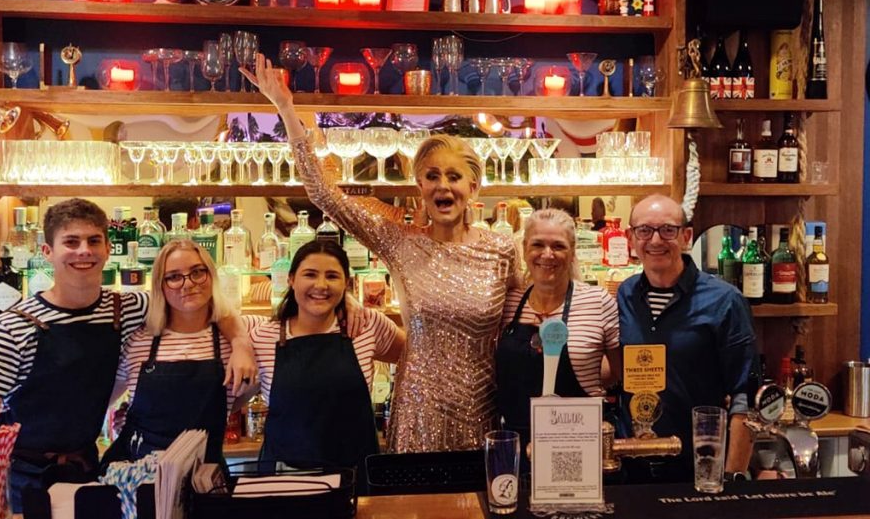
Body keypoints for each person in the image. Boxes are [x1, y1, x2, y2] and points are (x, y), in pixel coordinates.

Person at [242, 57, 517, 453]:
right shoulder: (400, 241)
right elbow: (324, 194)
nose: (444, 186)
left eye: (454, 177)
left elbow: (520, 325)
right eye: (432, 176)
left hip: (484, 405)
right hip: (419, 407)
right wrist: (286, 109)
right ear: (419, 186)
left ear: (473, 187)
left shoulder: (501, 250)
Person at [0, 199, 256, 512]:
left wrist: (240, 342)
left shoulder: (127, 309)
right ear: (47, 253)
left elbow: (204, 303)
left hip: (87, 467)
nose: (83, 251)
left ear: (108, 249)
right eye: (71, 242)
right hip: (22, 476)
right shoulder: (12, 328)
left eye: (93, 241)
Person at [617, 194, 755, 483]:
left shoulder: (724, 300)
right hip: (632, 464)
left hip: (699, 466)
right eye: (644, 230)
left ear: (686, 236)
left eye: (668, 229)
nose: (655, 240)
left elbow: (745, 393)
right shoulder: (624, 295)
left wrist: (732, 476)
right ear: (631, 238)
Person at [246, 240, 404, 475]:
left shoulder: (367, 325)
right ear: (291, 279)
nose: (321, 285)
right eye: (310, 274)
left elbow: (414, 357)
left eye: (332, 276)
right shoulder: (262, 336)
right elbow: (217, 319)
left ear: (346, 284)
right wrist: (239, 344)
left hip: (355, 475)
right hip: (285, 478)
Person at [101, 239, 247, 468]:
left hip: (204, 477)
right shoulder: (138, 340)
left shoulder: (237, 337)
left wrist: (241, 343)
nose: (188, 284)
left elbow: (237, 397)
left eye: (198, 272)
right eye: (174, 277)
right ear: (160, 285)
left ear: (211, 276)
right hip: (139, 476)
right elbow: (103, 400)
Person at [496, 209, 621, 455]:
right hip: (515, 443)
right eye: (537, 244)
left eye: (558, 246)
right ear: (524, 249)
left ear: (572, 251)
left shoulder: (598, 301)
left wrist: (588, 373)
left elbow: (619, 372)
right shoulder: (509, 302)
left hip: (577, 441)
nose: (547, 254)